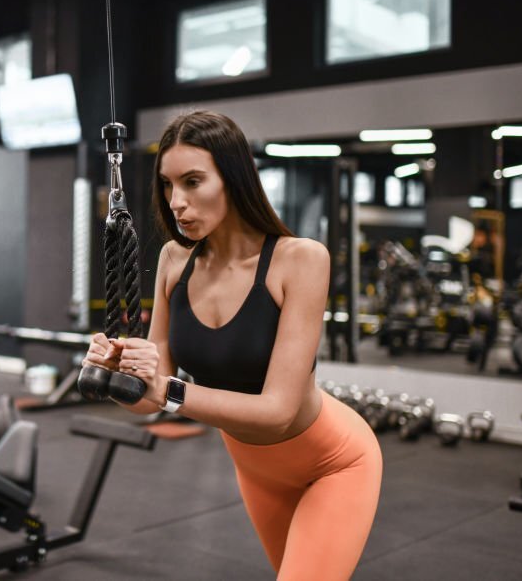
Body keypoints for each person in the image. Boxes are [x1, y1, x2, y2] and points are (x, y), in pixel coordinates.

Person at [84, 110, 382, 580]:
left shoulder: (299, 260)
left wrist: (168, 391)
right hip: (256, 469)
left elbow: (278, 410)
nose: (176, 201)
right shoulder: (173, 261)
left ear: (234, 178)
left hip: (332, 462)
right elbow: (148, 401)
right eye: (167, 184)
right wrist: (121, 374)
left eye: (193, 181)